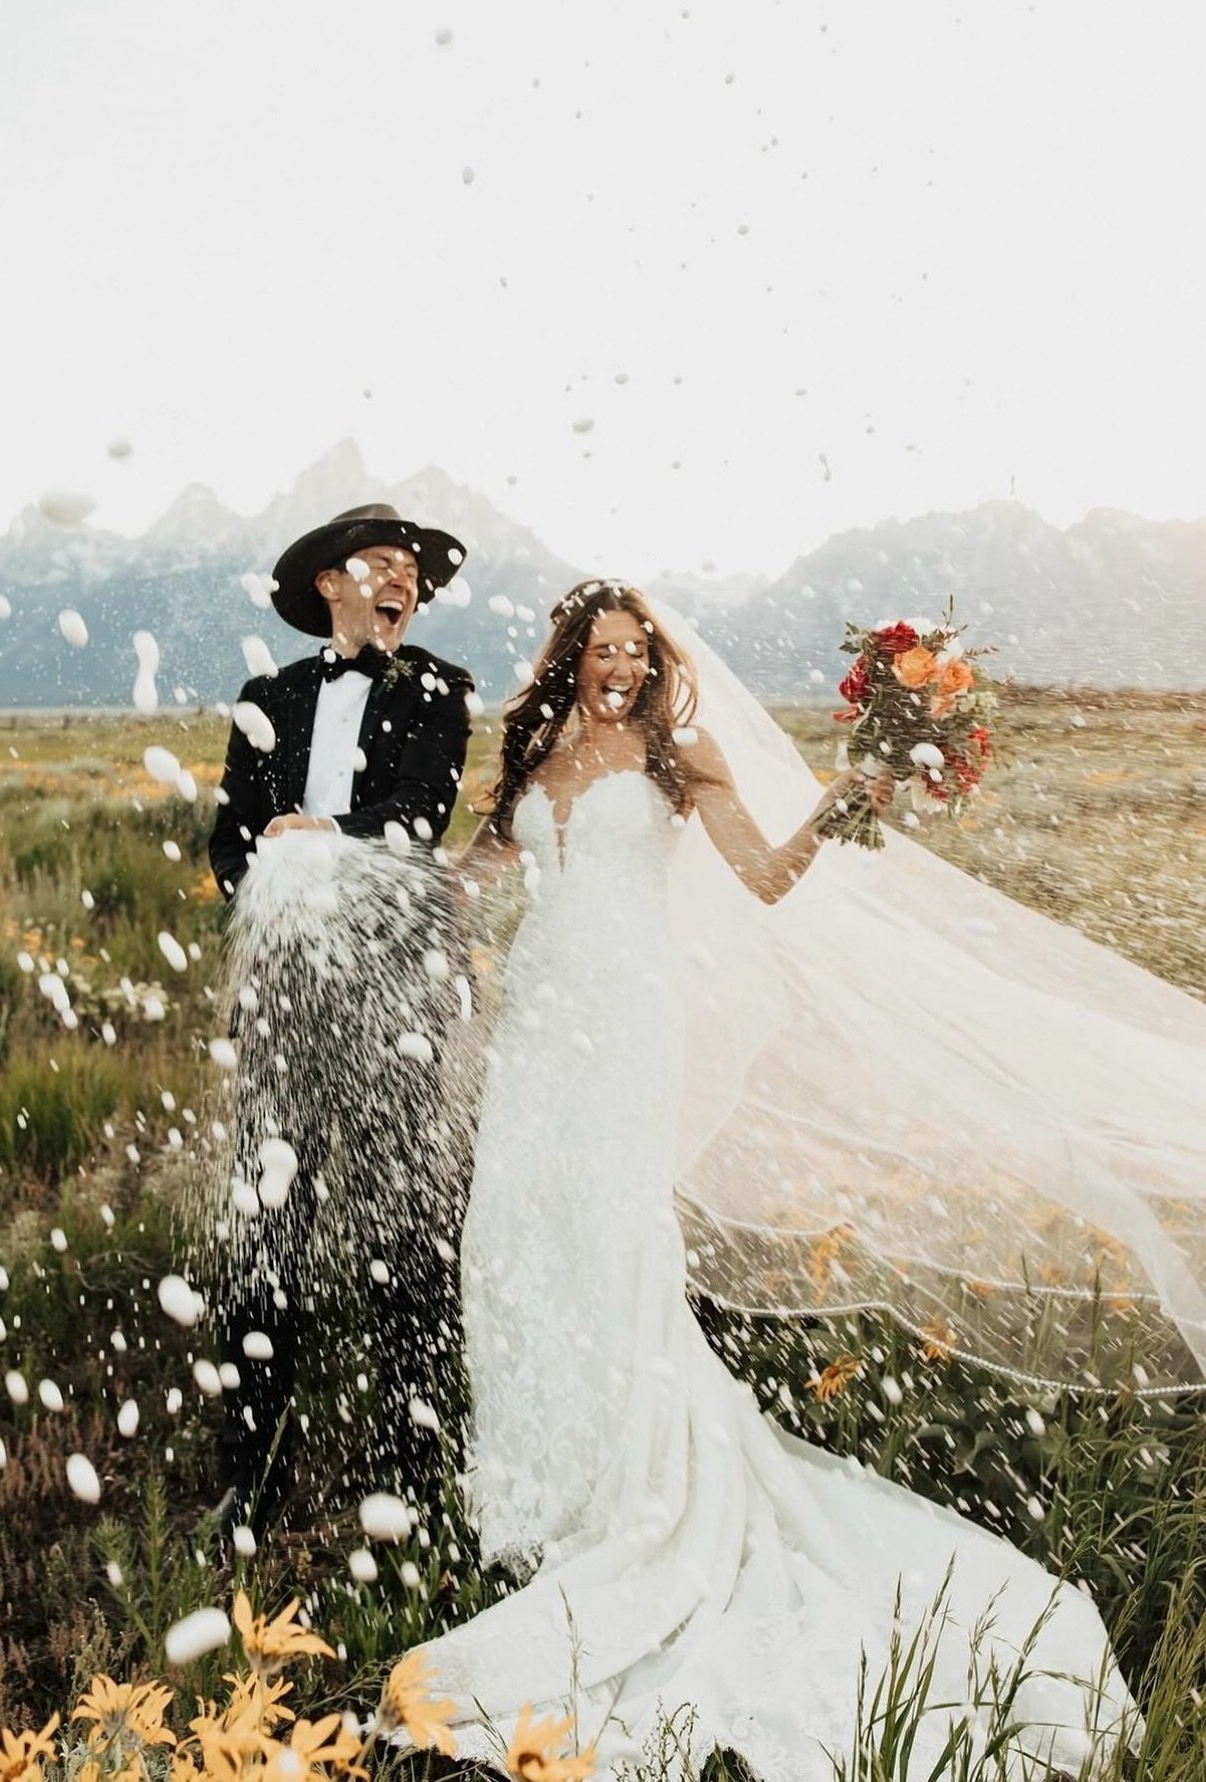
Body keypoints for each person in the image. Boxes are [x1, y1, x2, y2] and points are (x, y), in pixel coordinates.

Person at [406, 580, 1188, 1781]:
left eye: (633, 652)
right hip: (540, 1029)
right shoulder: (536, 751)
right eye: (598, 651)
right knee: (514, 1231)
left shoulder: (683, 752)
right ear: (569, 657)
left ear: (652, 659)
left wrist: (850, 800)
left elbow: (762, 878)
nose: (616, 668)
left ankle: (627, 1487)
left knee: (614, 1240)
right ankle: (540, 1478)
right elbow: (472, 879)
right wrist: (372, 892)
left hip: (627, 1021)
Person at [196, 503, 477, 1537]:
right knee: (269, 1229)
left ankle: (408, 1472)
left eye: (415, 571)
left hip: (394, 990)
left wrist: (323, 838)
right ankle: (250, 1478)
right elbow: (227, 844)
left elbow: (417, 819)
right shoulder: (265, 697)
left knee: (401, 1224)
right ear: (331, 583)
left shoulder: (440, 690)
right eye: (385, 564)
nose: (404, 580)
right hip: (283, 994)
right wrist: (267, 877)